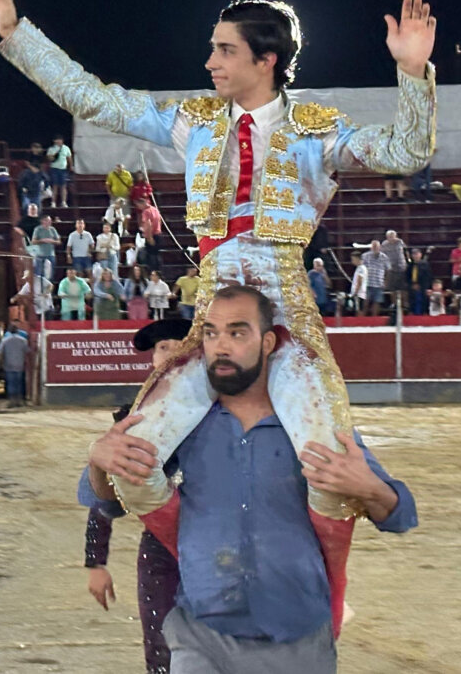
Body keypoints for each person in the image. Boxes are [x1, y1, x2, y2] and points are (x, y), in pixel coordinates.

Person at [0, 0, 434, 607]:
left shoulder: (318, 129)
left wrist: (413, 72)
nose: (210, 61)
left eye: (224, 50)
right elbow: (95, 100)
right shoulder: (191, 120)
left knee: (331, 473)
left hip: (286, 312)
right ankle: (200, 563)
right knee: (132, 462)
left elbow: (406, 151)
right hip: (215, 310)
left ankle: (327, 599)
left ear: (265, 60)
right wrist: (15, 34)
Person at [84, 287, 415, 670]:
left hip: (297, 637)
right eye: (210, 333)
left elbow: (400, 515)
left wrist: (370, 490)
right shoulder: (178, 422)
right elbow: (108, 502)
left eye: (237, 333)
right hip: (200, 632)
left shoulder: (313, 424)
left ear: (269, 341)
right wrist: (97, 461)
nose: (220, 346)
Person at [80, 318, 190, 674]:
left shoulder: (227, 411)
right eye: (162, 347)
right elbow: (107, 503)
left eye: (180, 344)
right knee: (163, 657)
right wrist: (95, 562)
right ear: (152, 359)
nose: (170, 352)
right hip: (162, 552)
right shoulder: (134, 420)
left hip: (228, 549)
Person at [0, 324, 29, 407]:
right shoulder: (23, 340)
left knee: (11, 383)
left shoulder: (5, 340)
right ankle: (19, 400)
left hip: (8, 365)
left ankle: (12, 401)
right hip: (20, 364)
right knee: (19, 383)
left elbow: (0, 353)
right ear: (17, 331)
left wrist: (0, 364)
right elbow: (27, 351)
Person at [29, 214, 61, 281]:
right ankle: (39, 290)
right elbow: (33, 241)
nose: (49, 222)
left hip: (51, 255)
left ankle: (48, 290)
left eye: (49, 221)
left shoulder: (52, 229)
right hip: (40, 255)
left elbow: (59, 241)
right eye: (47, 220)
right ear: (42, 221)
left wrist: (52, 241)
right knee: (38, 274)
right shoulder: (38, 229)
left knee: (50, 275)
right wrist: (42, 241)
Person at [46, 135, 73, 208]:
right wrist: (54, 156)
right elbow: (49, 158)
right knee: (55, 186)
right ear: (54, 141)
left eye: (60, 140)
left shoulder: (66, 148)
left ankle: (64, 202)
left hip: (63, 169)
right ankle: (53, 202)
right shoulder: (51, 149)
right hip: (54, 169)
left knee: (63, 186)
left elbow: (69, 158)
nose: (58, 141)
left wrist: (71, 166)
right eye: (57, 140)